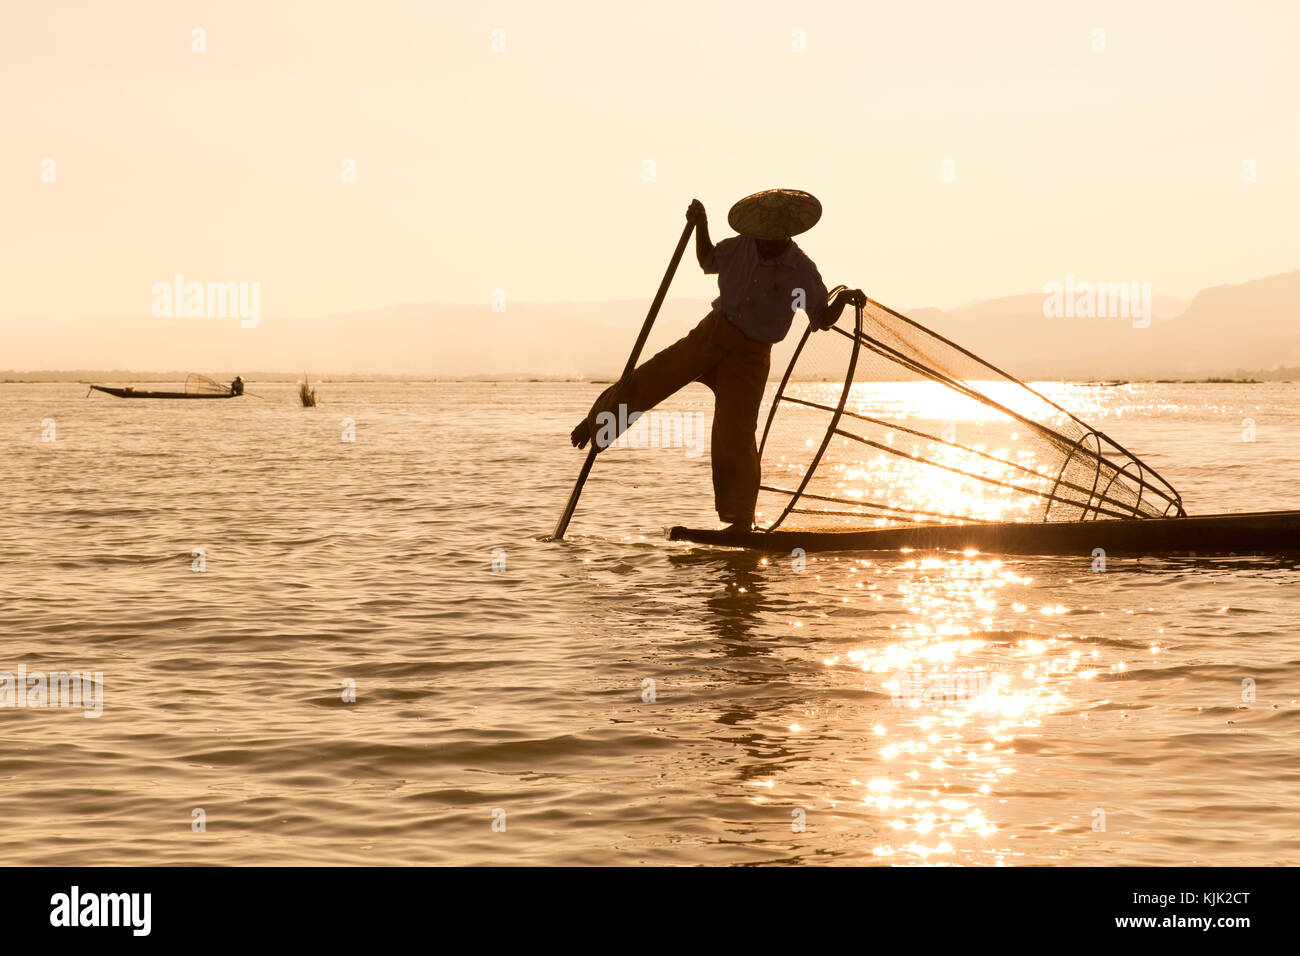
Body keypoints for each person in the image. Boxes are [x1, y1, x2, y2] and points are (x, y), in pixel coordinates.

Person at [570, 189, 865, 531]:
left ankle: (740, 521)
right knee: (652, 378)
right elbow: (707, 260)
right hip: (712, 334)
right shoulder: (740, 246)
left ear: (786, 233)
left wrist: (844, 298)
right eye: (762, 234)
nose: (766, 241)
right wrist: (701, 224)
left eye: (773, 236)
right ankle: (597, 423)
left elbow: (821, 319)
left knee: (736, 436)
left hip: (751, 357)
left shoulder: (801, 270)